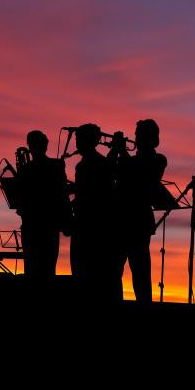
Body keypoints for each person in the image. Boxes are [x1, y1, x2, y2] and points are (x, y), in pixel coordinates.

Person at [113, 119, 167, 303]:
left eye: (139, 134)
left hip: (139, 221)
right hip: (120, 220)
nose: (136, 138)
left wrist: (121, 151)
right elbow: (109, 175)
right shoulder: (128, 159)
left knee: (141, 273)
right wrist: (115, 151)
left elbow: (140, 176)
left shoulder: (158, 160)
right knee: (113, 273)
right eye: (137, 134)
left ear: (150, 138)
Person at [70, 123, 118, 301]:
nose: (76, 143)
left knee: (84, 274)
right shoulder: (93, 162)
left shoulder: (89, 164)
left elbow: (91, 194)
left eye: (78, 139)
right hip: (92, 225)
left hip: (88, 226)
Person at [16, 130, 72, 277]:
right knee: (47, 269)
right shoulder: (56, 166)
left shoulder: (27, 169)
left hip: (33, 226)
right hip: (48, 226)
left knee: (32, 269)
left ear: (31, 146)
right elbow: (63, 194)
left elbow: (62, 194)